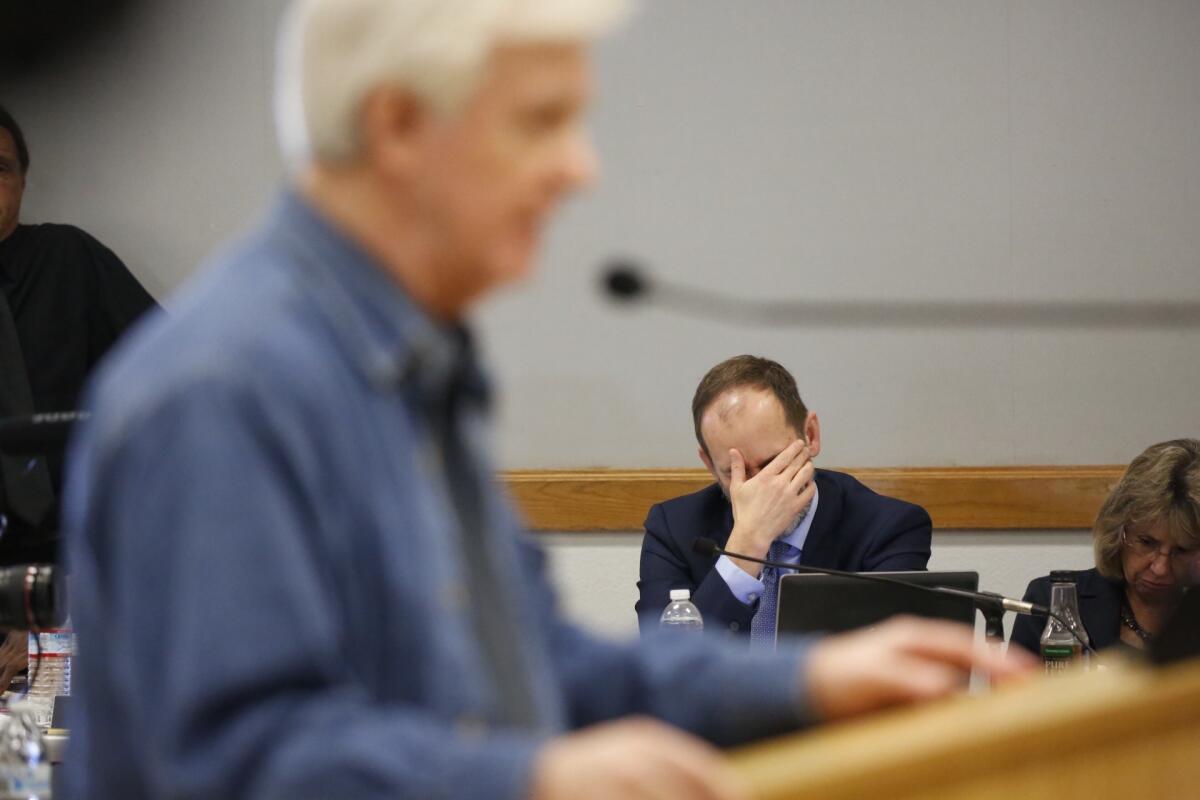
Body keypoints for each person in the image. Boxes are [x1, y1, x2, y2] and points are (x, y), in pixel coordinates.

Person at [64, 2, 1030, 798]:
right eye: (540, 120)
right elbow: (235, 762)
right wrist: (535, 776)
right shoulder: (223, 388)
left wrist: (811, 677)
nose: (580, 167)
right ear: (401, 124)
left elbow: (536, 663)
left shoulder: (415, 367)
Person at [0, 102, 156, 686]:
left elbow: (165, 384)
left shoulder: (68, 260)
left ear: (22, 182)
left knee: (51, 750)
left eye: (0, 168)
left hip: (74, 571)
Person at [636, 355, 933, 638]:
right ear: (709, 464)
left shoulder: (888, 528)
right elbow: (663, 668)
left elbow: (890, 665)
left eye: (772, 465)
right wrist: (748, 544)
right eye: (735, 473)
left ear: (811, 435)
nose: (761, 490)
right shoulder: (674, 529)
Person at [1010, 439, 1200, 656]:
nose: (1160, 568)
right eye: (1147, 543)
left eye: (1182, 551)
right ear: (1119, 529)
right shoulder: (1052, 604)